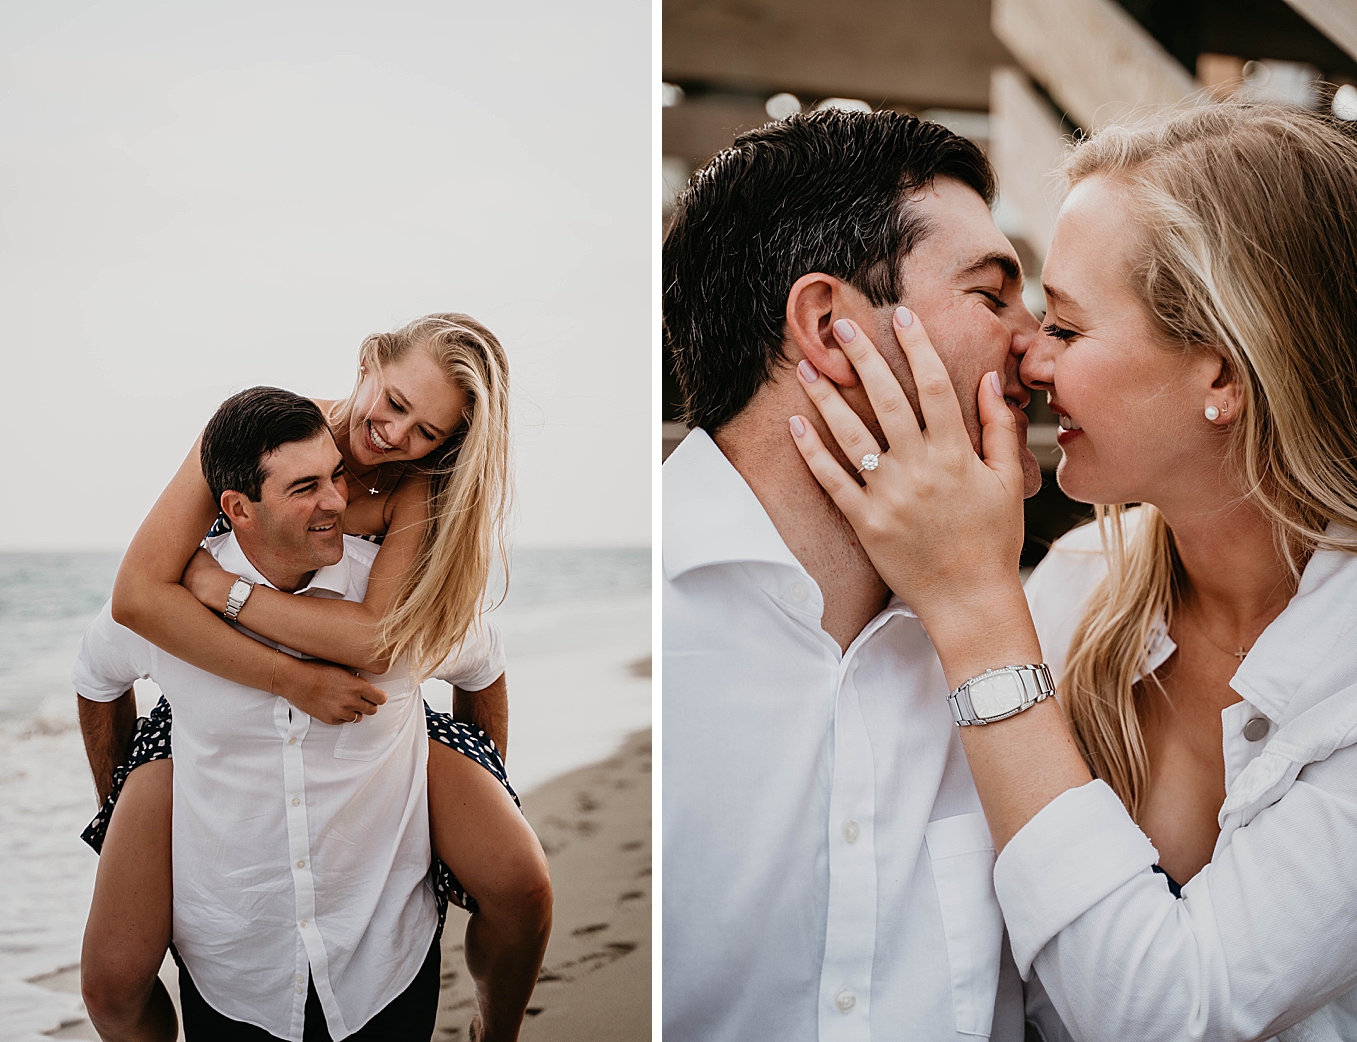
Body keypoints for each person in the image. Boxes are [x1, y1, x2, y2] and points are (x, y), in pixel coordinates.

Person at [790, 102, 1357, 1041]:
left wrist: (975, 606)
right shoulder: (1076, 582)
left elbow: (1174, 1012)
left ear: (1221, 373)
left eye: (1068, 325)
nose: (1031, 356)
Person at [663, 109, 1059, 1039]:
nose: (1038, 349)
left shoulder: (1044, 628)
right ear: (831, 329)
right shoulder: (661, 630)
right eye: (993, 297)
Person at [77, 316, 551, 1042]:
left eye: (426, 431)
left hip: (373, 703)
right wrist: (285, 678)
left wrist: (221, 591)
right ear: (368, 362)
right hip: (209, 687)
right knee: (113, 975)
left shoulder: (416, 488)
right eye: (393, 402)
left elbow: (378, 642)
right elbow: (137, 597)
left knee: (520, 883)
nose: (395, 435)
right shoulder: (262, 436)